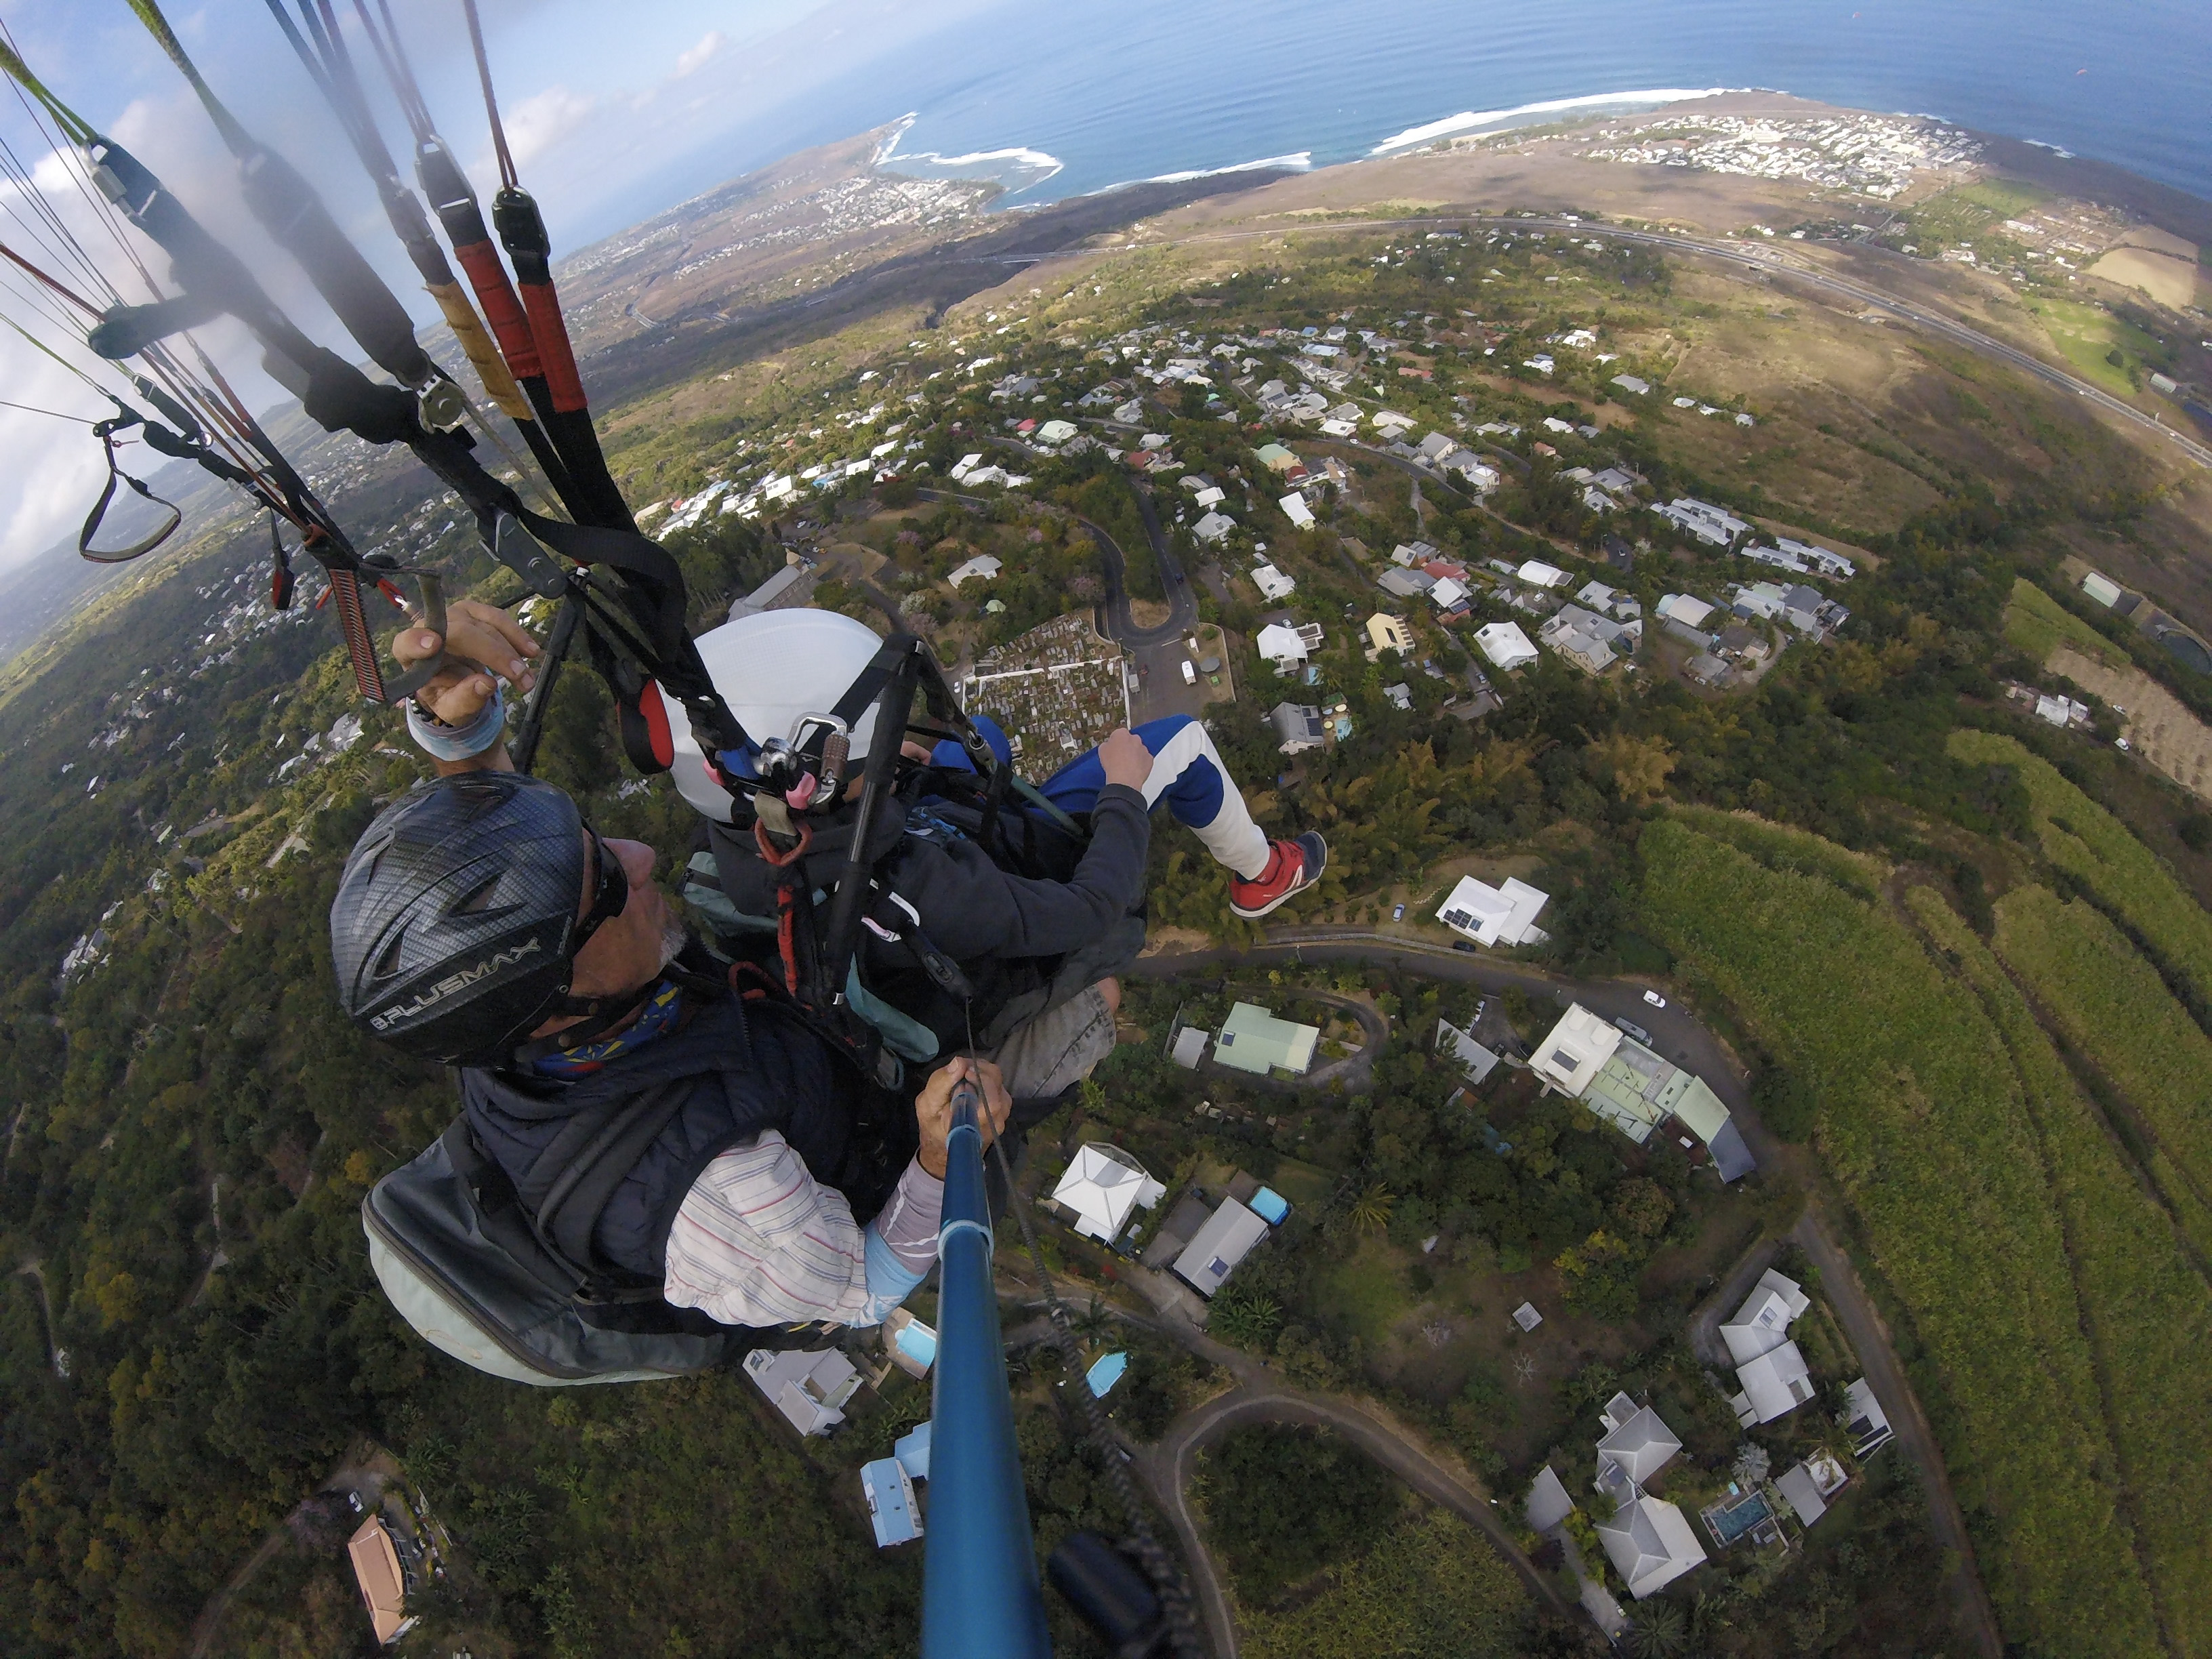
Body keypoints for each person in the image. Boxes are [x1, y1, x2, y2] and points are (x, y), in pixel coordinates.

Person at [327, 601, 1154, 1330]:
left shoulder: (523, 1007)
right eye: (610, 879)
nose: (642, 854)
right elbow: (869, 1289)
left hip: (800, 1040)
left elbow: (519, 877)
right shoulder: (720, 1194)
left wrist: (460, 727)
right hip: (895, 1137)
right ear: (558, 996)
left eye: (596, 839)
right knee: (1102, 989)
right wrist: (939, 1158)